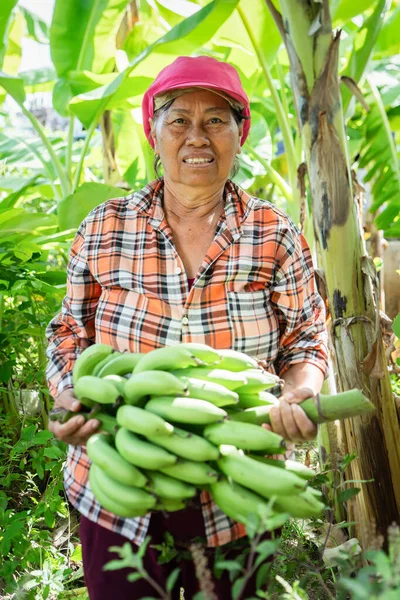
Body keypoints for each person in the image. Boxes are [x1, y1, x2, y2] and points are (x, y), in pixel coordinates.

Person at [46, 55, 328, 599]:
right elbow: (67, 331)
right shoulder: (105, 227)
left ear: (239, 137)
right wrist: (67, 398)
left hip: (235, 481)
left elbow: (306, 336)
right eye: (179, 121)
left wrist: (302, 392)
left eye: (216, 120)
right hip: (119, 473)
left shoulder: (275, 233)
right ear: (154, 134)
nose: (197, 136)